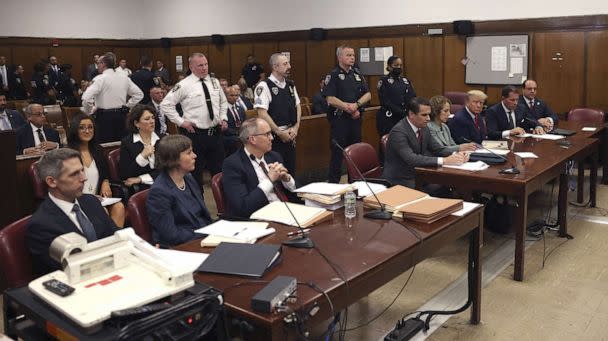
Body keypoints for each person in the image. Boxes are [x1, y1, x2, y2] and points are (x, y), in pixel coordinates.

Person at [26, 148, 117, 275]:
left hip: (112, 270)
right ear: (52, 182)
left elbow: (116, 235)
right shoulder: (41, 225)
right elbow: (68, 269)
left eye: (82, 170)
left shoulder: (91, 201)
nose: (84, 178)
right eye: (74, 174)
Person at [160, 52, 228, 187]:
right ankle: (198, 205)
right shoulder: (184, 84)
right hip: (195, 135)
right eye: (200, 65)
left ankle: (224, 206)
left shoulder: (214, 82)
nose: (204, 68)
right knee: (195, 174)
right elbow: (165, 105)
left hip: (215, 133)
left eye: (206, 64)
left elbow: (223, 102)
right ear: (191, 67)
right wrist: (181, 122)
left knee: (220, 172)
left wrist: (223, 118)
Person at [382, 97, 468, 189]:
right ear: (411, 114)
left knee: (453, 183)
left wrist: (458, 155)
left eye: (429, 114)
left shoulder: (424, 128)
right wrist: (445, 161)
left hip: (420, 174)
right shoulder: (398, 132)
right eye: (424, 115)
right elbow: (412, 159)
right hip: (400, 180)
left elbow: (438, 149)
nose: (428, 118)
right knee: (443, 187)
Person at [222, 118, 296, 218]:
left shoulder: (274, 156)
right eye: (267, 134)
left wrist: (287, 180)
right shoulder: (233, 165)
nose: (272, 138)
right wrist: (269, 180)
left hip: (285, 211)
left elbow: (295, 193)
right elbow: (243, 208)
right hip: (259, 218)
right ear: (252, 139)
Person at [146, 135, 212, 246]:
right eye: (189, 152)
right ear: (173, 159)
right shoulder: (159, 192)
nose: (194, 156)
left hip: (203, 237)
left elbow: (203, 217)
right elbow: (171, 235)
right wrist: (205, 232)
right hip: (182, 246)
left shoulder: (188, 178)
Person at [67, 114, 126, 227]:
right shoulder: (68, 153)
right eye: (82, 127)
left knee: (119, 207)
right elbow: (68, 183)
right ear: (75, 130)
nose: (87, 130)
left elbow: (104, 173)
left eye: (90, 127)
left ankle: (117, 242)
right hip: (78, 200)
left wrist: (105, 182)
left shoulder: (98, 150)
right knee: (101, 211)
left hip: (98, 198)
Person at [323, 45, 371, 183]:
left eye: (353, 55)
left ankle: (355, 183)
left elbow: (367, 94)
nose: (352, 58)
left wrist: (357, 106)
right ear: (339, 57)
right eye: (348, 55)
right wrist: (347, 107)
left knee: (355, 154)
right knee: (337, 155)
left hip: (355, 120)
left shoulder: (357, 74)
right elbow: (330, 98)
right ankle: (333, 186)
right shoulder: (333, 75)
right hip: (339, 121)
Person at [254, 53, 301, 176]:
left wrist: (296, 127)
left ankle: (291, 196)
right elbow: (262, 113)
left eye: (288, 63)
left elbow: (298, 106)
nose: (289, 66)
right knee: (276, 173)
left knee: (290, 173)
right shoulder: (264, 86)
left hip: (291, 135)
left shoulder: (290, 84)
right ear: (275, 67)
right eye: (285, 64)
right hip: (273, 138)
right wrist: (279, 132)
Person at [81, 52, 143, 143]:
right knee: (121, 146)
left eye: (98, 63)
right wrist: (127, 106)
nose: (97, 66)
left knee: (104, 147)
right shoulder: (124, 77)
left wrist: (88, 111)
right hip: (122, 116)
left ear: (103, 64)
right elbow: (139, 94)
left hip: (104, 118)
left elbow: (86, 98)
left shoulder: (100, 79)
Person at [119, 104, 160, 191]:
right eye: (147, 119)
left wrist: (142, 178)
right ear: (136, 123)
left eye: (153, 117)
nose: (152, 121)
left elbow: (169, 168)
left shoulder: (162, 139)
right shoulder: (127, 143)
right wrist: (142, 157)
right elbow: (125, 175)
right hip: (141, 188)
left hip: (163, 183)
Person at [377, 55, 416, 136]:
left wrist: (409, 111)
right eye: (396, 65)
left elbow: (413, 97)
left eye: (400, 65)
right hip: (389, 117)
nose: (399, 67)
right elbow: (385, 101)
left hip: (404, 117)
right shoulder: (384, 80)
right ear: (389, 67)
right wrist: (400, 111)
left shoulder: (405, 81)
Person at [224, 85, 246, 155]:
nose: (234, 98)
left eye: (236, 95)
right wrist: (237, 133)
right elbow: (224, 128)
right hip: (228, 136)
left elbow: (244, 123)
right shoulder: (222, 110)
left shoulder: (241, 109)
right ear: (225, 96)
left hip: (240, 134)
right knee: (236, 140)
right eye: (231, 95)